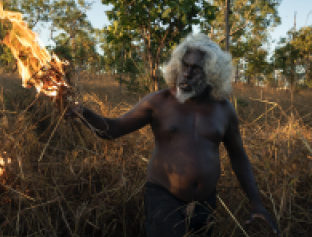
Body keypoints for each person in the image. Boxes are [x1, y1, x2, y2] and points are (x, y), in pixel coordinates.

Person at [66, 33, 280, 237]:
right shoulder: (158, 102)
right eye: (185, 65)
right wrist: (84, 113)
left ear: (211, 74)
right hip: (163, 198)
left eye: (196, 69)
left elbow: (238, 156)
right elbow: (112, 129)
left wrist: (255, 202)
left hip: (205, 203)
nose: (186, 73)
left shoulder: (224, 110)